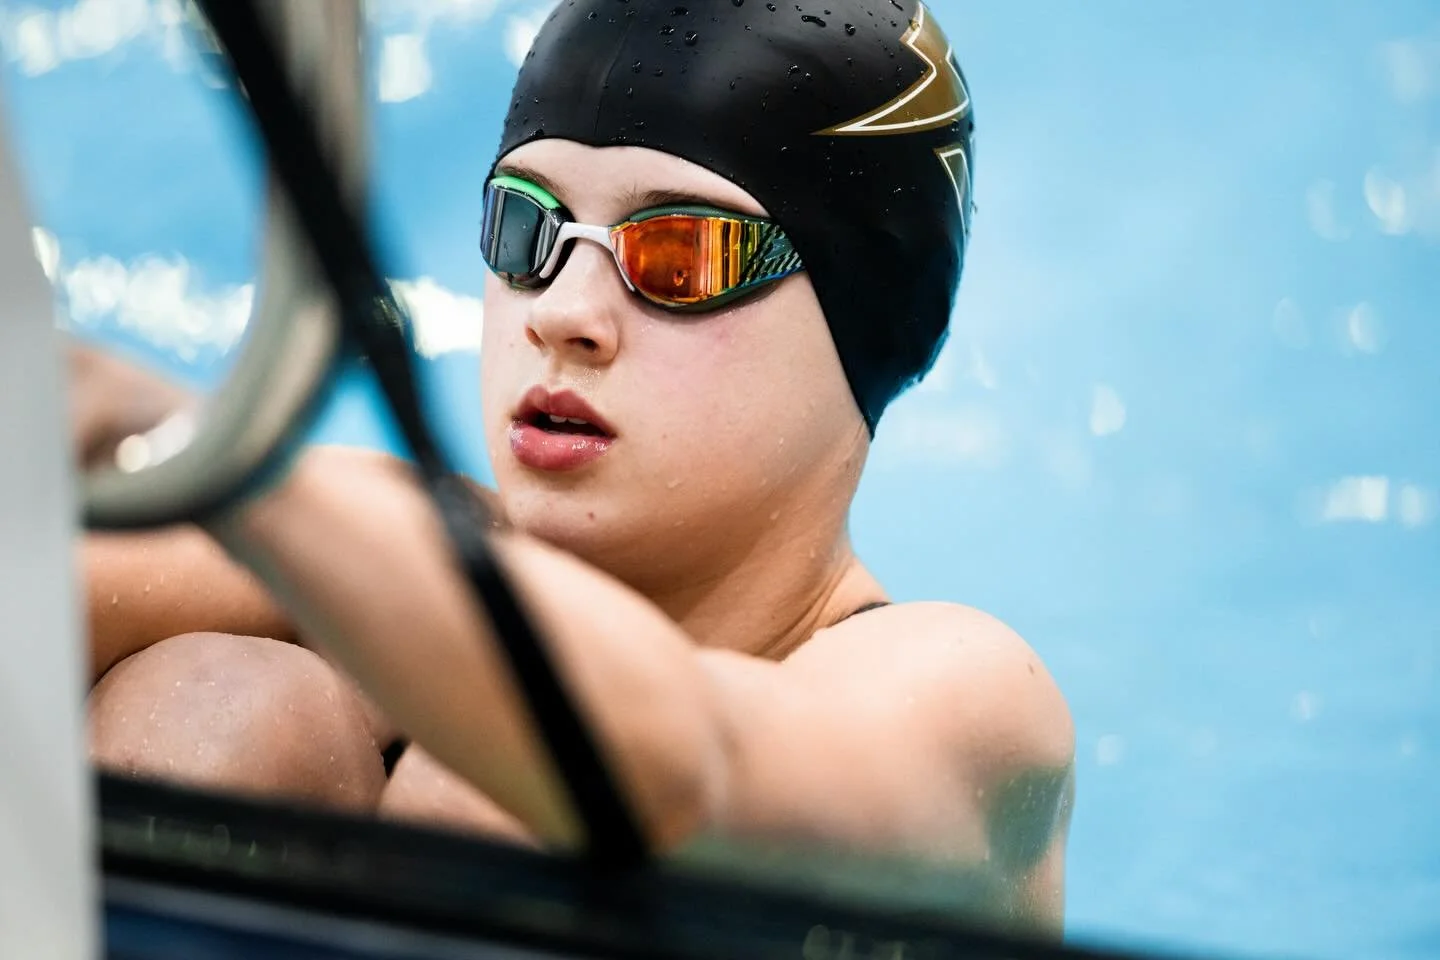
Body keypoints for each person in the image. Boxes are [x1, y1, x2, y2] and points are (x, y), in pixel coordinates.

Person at [80, 0, 1076, 934]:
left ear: (864, 321)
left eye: (681, 254)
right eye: (529, 229)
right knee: (215, 710)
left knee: (495, 805)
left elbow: (691, 780)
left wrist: (228, 469)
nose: (561, 312)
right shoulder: (395, 535)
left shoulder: (963, 695)